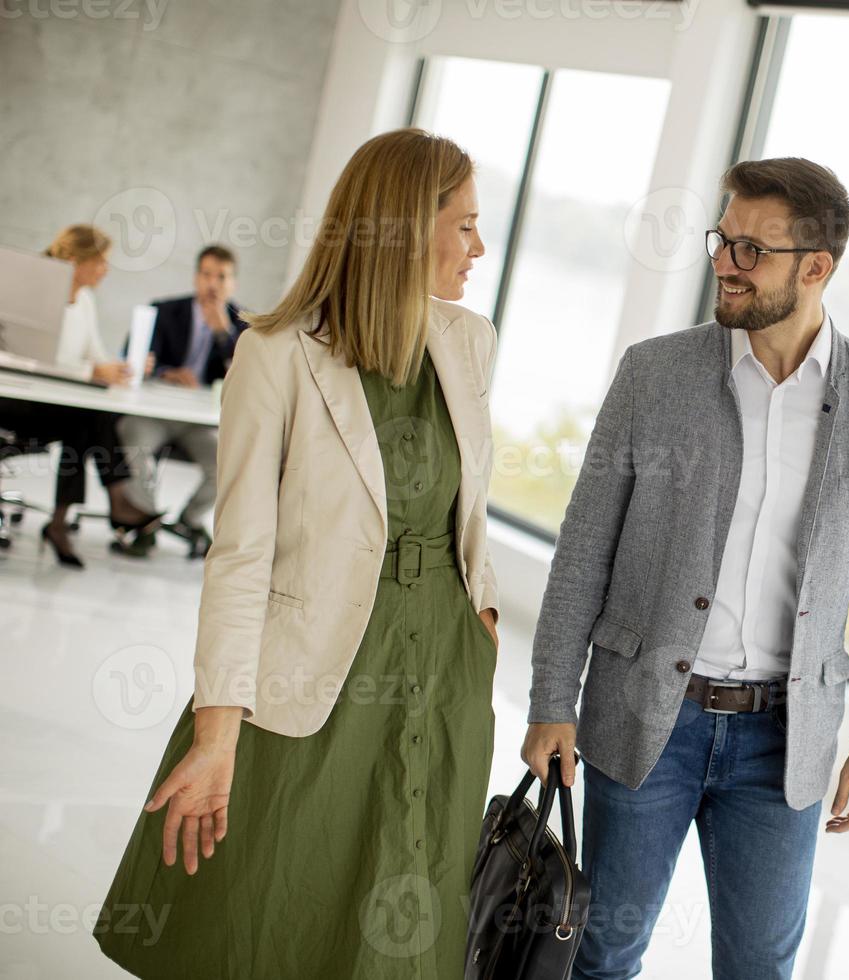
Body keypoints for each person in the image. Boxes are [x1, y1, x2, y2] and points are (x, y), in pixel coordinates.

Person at [93, 128, 503, 978]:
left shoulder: (471, 341)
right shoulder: (276, 354)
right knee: (274, 905)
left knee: (403, 901)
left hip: (442, 669)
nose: (479, 245)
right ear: (398, 226)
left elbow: (467, 506)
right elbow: (240, 553)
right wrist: (215, 732)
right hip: (315, 667)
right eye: (462, 224)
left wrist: (484, 612)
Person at [521, 158, 849, 979]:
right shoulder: (654, 375)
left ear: (817, 268)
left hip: (784, 743)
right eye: (723, 240)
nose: (724, 263)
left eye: (752, 250)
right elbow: (584, 550)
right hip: (645, 721)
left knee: (759, 968)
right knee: (601, 955)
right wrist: (549, 703)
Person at [0, 224, 163, 568]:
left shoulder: (85, 301)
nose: (106, 269)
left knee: (89, 419)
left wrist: (124, 368)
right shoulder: (33, 294)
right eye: (101, 261)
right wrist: (89, 373)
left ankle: (64, 521)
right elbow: (25, 360)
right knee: (88, 419)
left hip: (51, 408)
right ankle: (106, 504)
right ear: (75, 261)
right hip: (14, 405)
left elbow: (95, 356)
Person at [118, 244, 250, 556]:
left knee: (228, 459)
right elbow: (132, 357)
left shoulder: (242, 325)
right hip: (157, 413)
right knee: (130, 436)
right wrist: (163, 372)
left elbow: (246, 376)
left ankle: (189, 519)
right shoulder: (165, 311)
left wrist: (222, 333)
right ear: (196, 278)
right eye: (206, 275)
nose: (213, 284)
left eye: (221, 277)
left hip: (199, 421)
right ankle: (146, 520)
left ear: (233, 284)